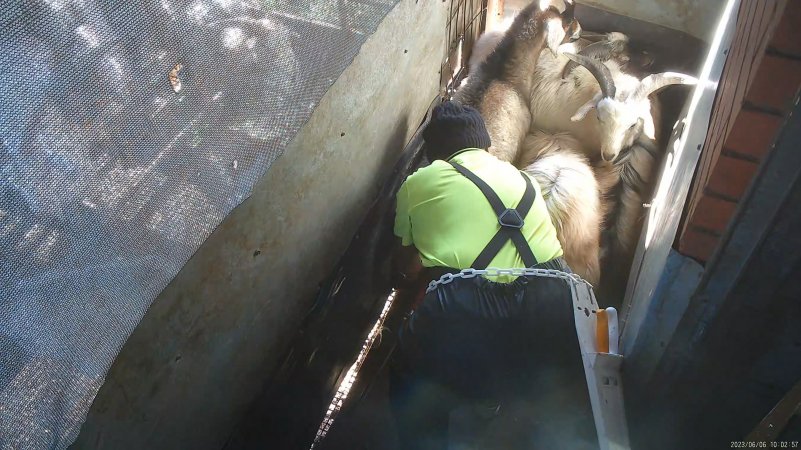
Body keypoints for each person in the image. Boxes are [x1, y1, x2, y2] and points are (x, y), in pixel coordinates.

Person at [389, 100, 595, 449]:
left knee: (410, 374)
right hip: (555, 302)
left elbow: (407, 267)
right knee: (523, 370)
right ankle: (496, 406)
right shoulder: (524, 179)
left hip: (468, 312)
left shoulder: (419, 183)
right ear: (485, 144)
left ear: (436, 153)